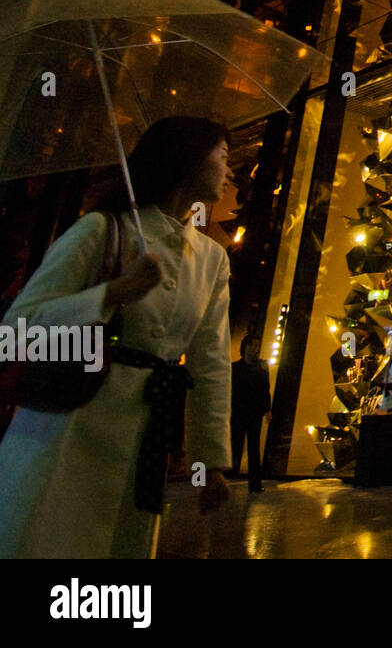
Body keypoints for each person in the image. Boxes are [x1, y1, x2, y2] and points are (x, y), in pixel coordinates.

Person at [0, 116, 233, 558]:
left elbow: (211, 362)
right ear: (187, 158)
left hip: (142, 442)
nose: (230, 169)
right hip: (65, 427)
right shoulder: (102, 230)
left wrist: (209, 460)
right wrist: (111, 294)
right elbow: (15, 329)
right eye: (223, 157)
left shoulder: (212, 259)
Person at [230, 334, 271, 493]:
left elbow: (265, 389)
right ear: (245, 347)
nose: (255, 349)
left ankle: (254, 483)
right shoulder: (236, 368)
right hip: (239, 411)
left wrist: (267, 409)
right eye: (252, 345)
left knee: (253, 448)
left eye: (256, 346)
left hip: (253, 412)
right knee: (237, 444)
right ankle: (231, 475)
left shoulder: (261, 366)